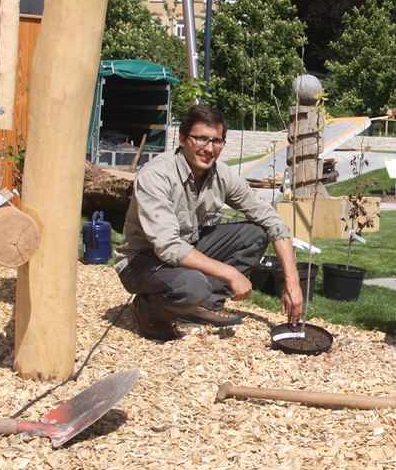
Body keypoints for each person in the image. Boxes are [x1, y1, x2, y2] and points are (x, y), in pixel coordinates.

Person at [115, 104, 304, 340]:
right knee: (193, 285)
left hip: (187, 247)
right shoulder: (156, 175)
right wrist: (230, 273)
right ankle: (149, 310)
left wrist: (292, 281)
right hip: (141, 260)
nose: (209, 148)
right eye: (201, 139)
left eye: (217, 141)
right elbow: (168, 247)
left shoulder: (221, 175)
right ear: (183, 139)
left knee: (255, 233)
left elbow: (272, 220)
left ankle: (201, 307)